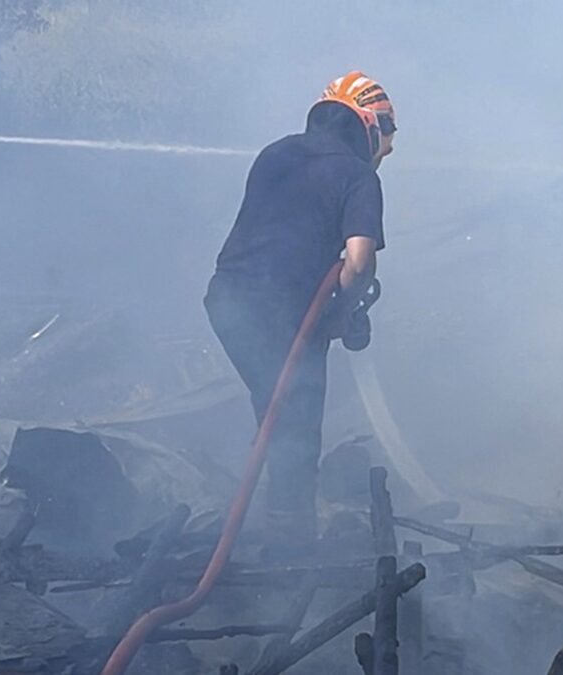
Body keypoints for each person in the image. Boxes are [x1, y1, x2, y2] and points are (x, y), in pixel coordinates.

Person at [204, 71, 396, 554]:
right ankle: (288, 552)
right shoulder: (359, 176)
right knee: (295, 422)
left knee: (278, 410)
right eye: (388, 130)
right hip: (283, 316)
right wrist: (339, 314)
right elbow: (358, 261)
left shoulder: (276, 153)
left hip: (226, 301)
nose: (389, 147)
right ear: (368, 125)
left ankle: (275, 529)